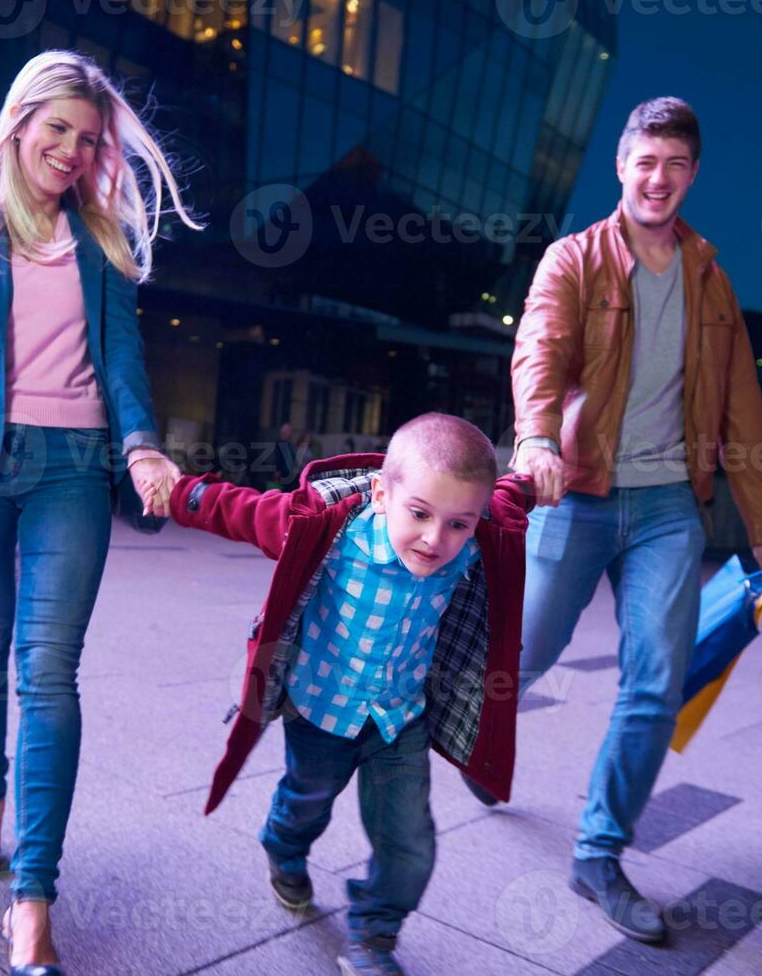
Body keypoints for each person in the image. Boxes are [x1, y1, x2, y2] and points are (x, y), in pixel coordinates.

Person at [0, 50, 198, 975]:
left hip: (68, 472)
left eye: (87, 140)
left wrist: (139, 446)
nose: (69, 150)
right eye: (56, 128)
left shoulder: (101, 242)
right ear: (18, 124)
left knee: (47, 672)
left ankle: (33, 898)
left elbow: (124, 359)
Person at [505, 97, 762, 944]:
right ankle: (468, 735)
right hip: (577, 491)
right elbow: (540, 352)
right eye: (644, 162)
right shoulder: (574, 259)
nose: (657, 179)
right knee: (525, 654)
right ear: (621, 167)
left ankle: (599, 853)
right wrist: (532, 438)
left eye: (674, 165)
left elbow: (741, 407)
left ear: (692, 174)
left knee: (655, 680)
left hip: (670, 503)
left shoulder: (711, 277)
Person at [171, 414, 534, 976]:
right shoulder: (326, 529)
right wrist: (176, 491)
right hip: (320, 711)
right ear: (381, 493)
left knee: (410, 841)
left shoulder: (475, 533)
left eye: (460, 523)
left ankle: (374, 933)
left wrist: (541, 461)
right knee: (307, 800)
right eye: (419, 514)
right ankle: (284, 848)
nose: (437, 539)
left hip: (398, 720)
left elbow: (516, 491)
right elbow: (241, 511)